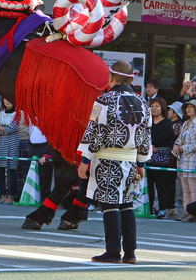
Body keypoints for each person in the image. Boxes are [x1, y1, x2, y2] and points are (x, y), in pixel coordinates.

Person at [77, 60, 152, 264]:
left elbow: (95, 130)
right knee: (126, 204)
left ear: (110, 78)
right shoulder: (143, 103)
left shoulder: (104, 100)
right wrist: (141, 163)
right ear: (131, 79)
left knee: (109, 203)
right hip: (130, 159)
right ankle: (130, 253)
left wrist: (85, 159)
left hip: (107, 159)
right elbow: (145, 136)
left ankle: (112, 252)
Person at [146, 98, 173, 219]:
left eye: (157, 106)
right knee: (148, 184)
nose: (154, 108)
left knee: (161, 185)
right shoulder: (148, 121)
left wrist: (153, 145)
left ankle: (162, 209)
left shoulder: (167, 122)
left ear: (162, 108)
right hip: (147, 156)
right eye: (152, 106)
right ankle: (149, 207)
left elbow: (165, 136)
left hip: (161, 157)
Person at [172, 99, 196, 222]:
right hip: (182, 160)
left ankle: (194, 213)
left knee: (194, 189)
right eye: (187, 107)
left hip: (194, 160)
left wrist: (183, 148)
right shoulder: (185, 123)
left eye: (191, 107)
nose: (188, 109)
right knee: (185, 189)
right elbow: (178, 139)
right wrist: (176, 146)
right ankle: (186, 212)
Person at [0, 98, 20, 204]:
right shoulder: (1, 114)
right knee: (0, 170)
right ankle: (3, 195)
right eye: (5, 99)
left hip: (13, 142)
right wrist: (3, 129)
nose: (7, 101)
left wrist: (1, 128)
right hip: (2, 143)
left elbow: (13, 129)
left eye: (9, 99)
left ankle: (11, 196)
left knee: (11, 170)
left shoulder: (17, 114)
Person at [166, 101, 184, 215]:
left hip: (174, 156)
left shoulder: (177, 125)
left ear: (176, 113)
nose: (168, 112)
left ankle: (172, 205)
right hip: (172, 156)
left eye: (170, 110)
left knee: (172, 181)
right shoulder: (171, 123)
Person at [29, 123, 53, 201]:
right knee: (32, 172)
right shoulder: (31, 116)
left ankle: (44, 198)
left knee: (45, 174)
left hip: (44, 145)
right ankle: (33, 196)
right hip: (32, 146)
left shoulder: (47, 116)